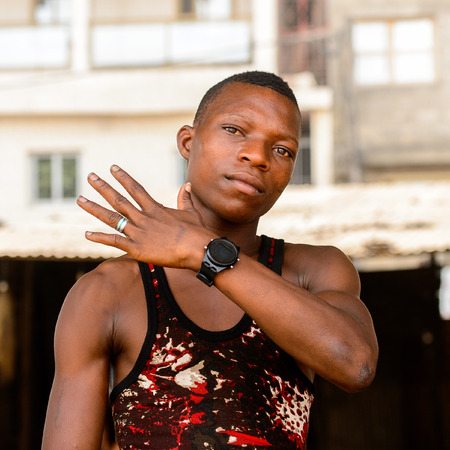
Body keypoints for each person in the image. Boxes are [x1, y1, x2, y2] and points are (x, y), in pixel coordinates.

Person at [42, 71, 378, 449]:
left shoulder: (314, 272)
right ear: (188, 141)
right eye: (235, 130)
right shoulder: (107, 292)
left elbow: (356, 366)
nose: (257, 156)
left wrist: (205, 252)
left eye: (282, 149)